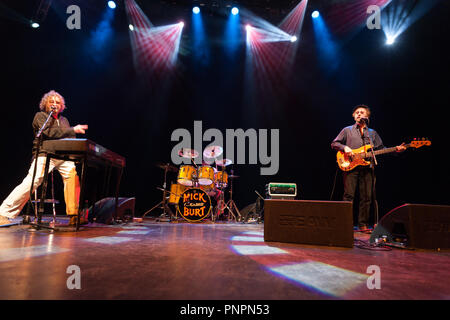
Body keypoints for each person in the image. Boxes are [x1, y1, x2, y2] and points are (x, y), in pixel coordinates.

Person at [0, 90, 88, 226]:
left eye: (57, 102)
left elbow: (69, 138)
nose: (55, 104)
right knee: (33, 181)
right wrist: (72, 129)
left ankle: (74, 215)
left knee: (72, 177)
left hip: (62, 156)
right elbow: (49, 132)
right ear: (45, 104)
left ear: (62, 106)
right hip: (45, 153)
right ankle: (3, 212)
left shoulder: (64, 120)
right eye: (51, 102)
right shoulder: (40, 116)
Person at [331, 105, 405, 232]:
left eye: (362, 112)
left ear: (367, 117)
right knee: (349, 195)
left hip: (368, 167)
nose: (359, 114)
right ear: (354, 116)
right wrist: (345, 148)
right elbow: (334, 143)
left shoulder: (372, 133)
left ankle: (363, 225)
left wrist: (396, 150)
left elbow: (382, 149)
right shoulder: (347, 130)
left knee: (367, 197)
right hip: (350, 166)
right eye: (357, 112)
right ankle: (344, 223)